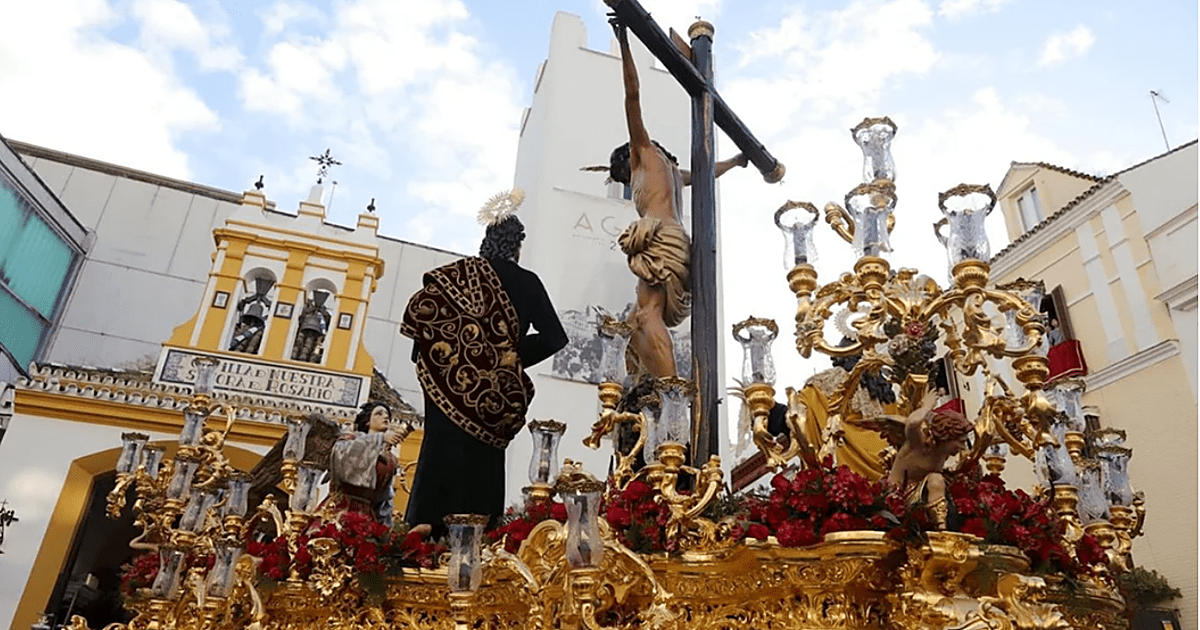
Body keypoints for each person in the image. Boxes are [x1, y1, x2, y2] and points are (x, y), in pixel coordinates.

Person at [401, 193, 568, 537]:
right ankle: (480, 538)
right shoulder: (528, 283)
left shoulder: (453, 277)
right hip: (494, 401)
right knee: (482, 469)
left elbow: (421, 327)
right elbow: (554, 338)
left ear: (485, 241)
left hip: (445, 389)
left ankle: (423, 538)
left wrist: (452, 361)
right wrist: (506, 357)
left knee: (438, 456)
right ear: (516, 246)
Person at [608, 16, 748, 378]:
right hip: (678, 243)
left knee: (646, 314)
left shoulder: (642, 152)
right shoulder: (673, 172)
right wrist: (736, 160)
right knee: (633, 322)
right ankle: (639, 381)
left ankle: (669, 389)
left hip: (660, 241)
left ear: (628, 159)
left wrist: (624, 40)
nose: (630, 182)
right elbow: (708, 172)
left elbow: (632, 94)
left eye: (625, 176)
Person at [887, 390, 975, 529]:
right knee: (936, 479)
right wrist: (927, 407)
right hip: (897, 499)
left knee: (939, 480)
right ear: (947, 437)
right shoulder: (918, 444)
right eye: (960, 441)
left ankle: (942, 529)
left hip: (925, 499)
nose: (963, 447)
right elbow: (912, 423)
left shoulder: (943, 452)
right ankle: (941, 529)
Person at [328, 402, 407, 527]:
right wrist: (379, 438)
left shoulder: (391, 458)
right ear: (367, 422)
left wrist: (385, 524)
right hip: (341, 509)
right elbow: (340, 456)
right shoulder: (352, 438)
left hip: (368, 517)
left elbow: (385, 496)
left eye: (387, 414)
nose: (385, 417)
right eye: (379, 413)